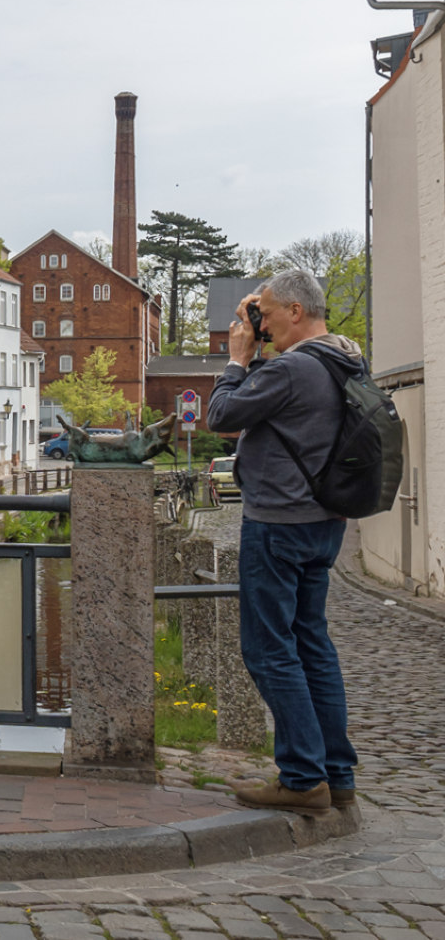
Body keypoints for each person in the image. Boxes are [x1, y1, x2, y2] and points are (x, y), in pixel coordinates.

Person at [206, 268, 362, 812]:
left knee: (269, 649)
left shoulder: (294, 369)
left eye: (267, 313)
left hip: (278, 524)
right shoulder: (344, 359)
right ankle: (336, 775)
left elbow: (221, 417)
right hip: (324, 523)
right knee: (312, 646)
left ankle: (301, 777)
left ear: (296, 312)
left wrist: (237, 358)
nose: (262, 325)